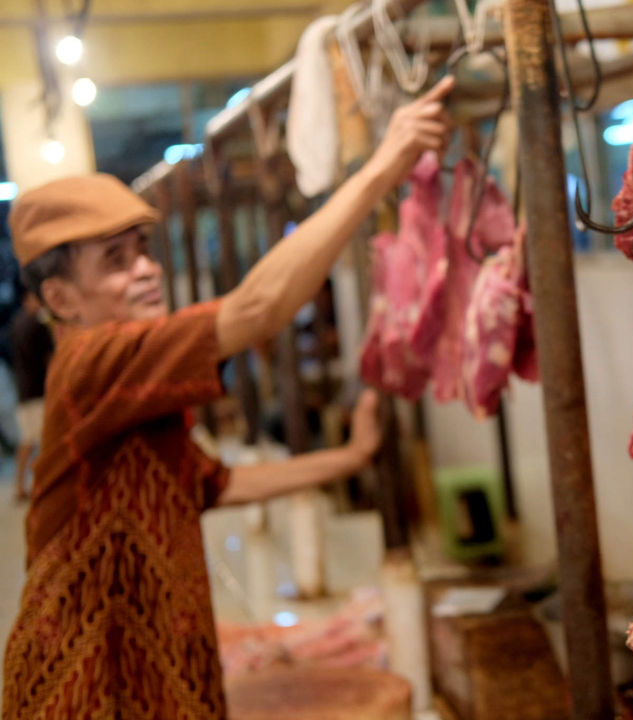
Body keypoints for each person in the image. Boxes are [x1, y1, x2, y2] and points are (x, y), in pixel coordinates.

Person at [1, 76, 454, 719]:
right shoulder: (92, 362)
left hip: (149, 669)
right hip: (85, 682)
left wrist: (350, 458)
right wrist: (383, 169)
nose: (146, 269)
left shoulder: (129, 388)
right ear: (62, 301)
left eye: (141, 251)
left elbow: (219, 484)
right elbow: (258, 308)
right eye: (115, 260)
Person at [9, 292, 54, 501]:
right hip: (37, 390)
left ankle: (21, 485)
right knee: (39, 440)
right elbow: (49, 358)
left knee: (29, 440)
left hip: (24, 389)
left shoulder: (17, 322)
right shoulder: (36, 324)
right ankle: (37, 484)